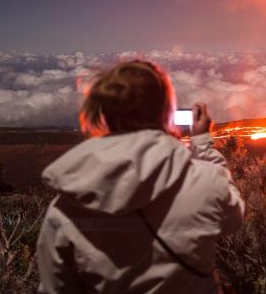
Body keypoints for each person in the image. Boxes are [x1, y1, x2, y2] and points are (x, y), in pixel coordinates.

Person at [36, 60, 245, 293]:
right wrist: (203, 144)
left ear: (102, 113)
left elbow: (56, 287)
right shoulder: (205, 183)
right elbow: (233, 218)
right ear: (165, 110)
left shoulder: (67, 209)